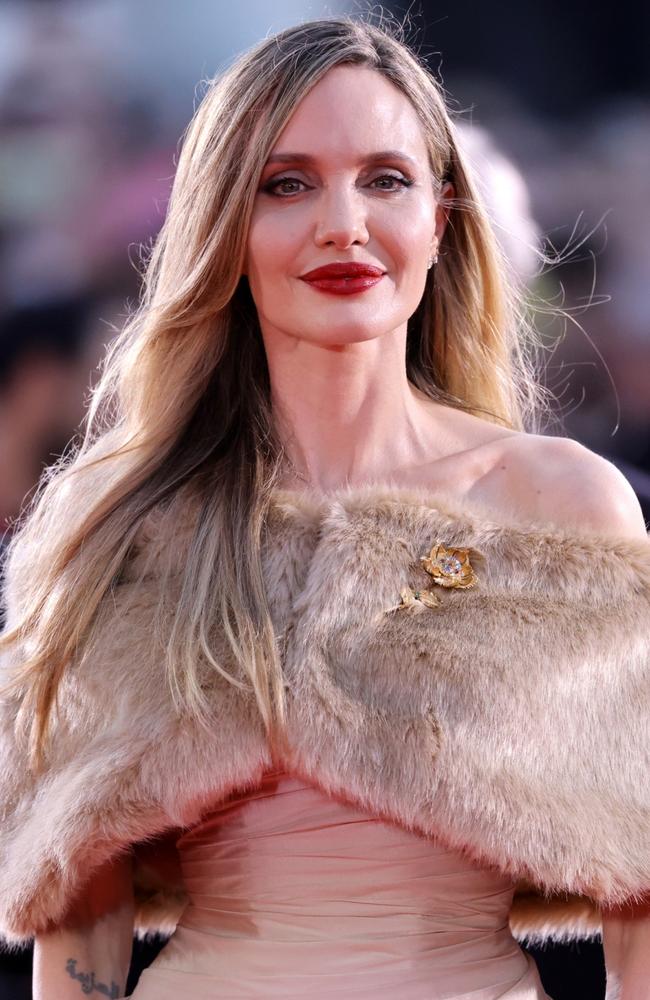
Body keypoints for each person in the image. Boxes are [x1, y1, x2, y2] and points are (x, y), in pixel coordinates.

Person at [0, 15, 648, 1000]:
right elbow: (80, 912)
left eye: (383, 178)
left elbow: (637, 887)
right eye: (286, 183)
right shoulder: (125, 519)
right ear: (225, 222)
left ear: (439, 214)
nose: (340, 222)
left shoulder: (561, 507)